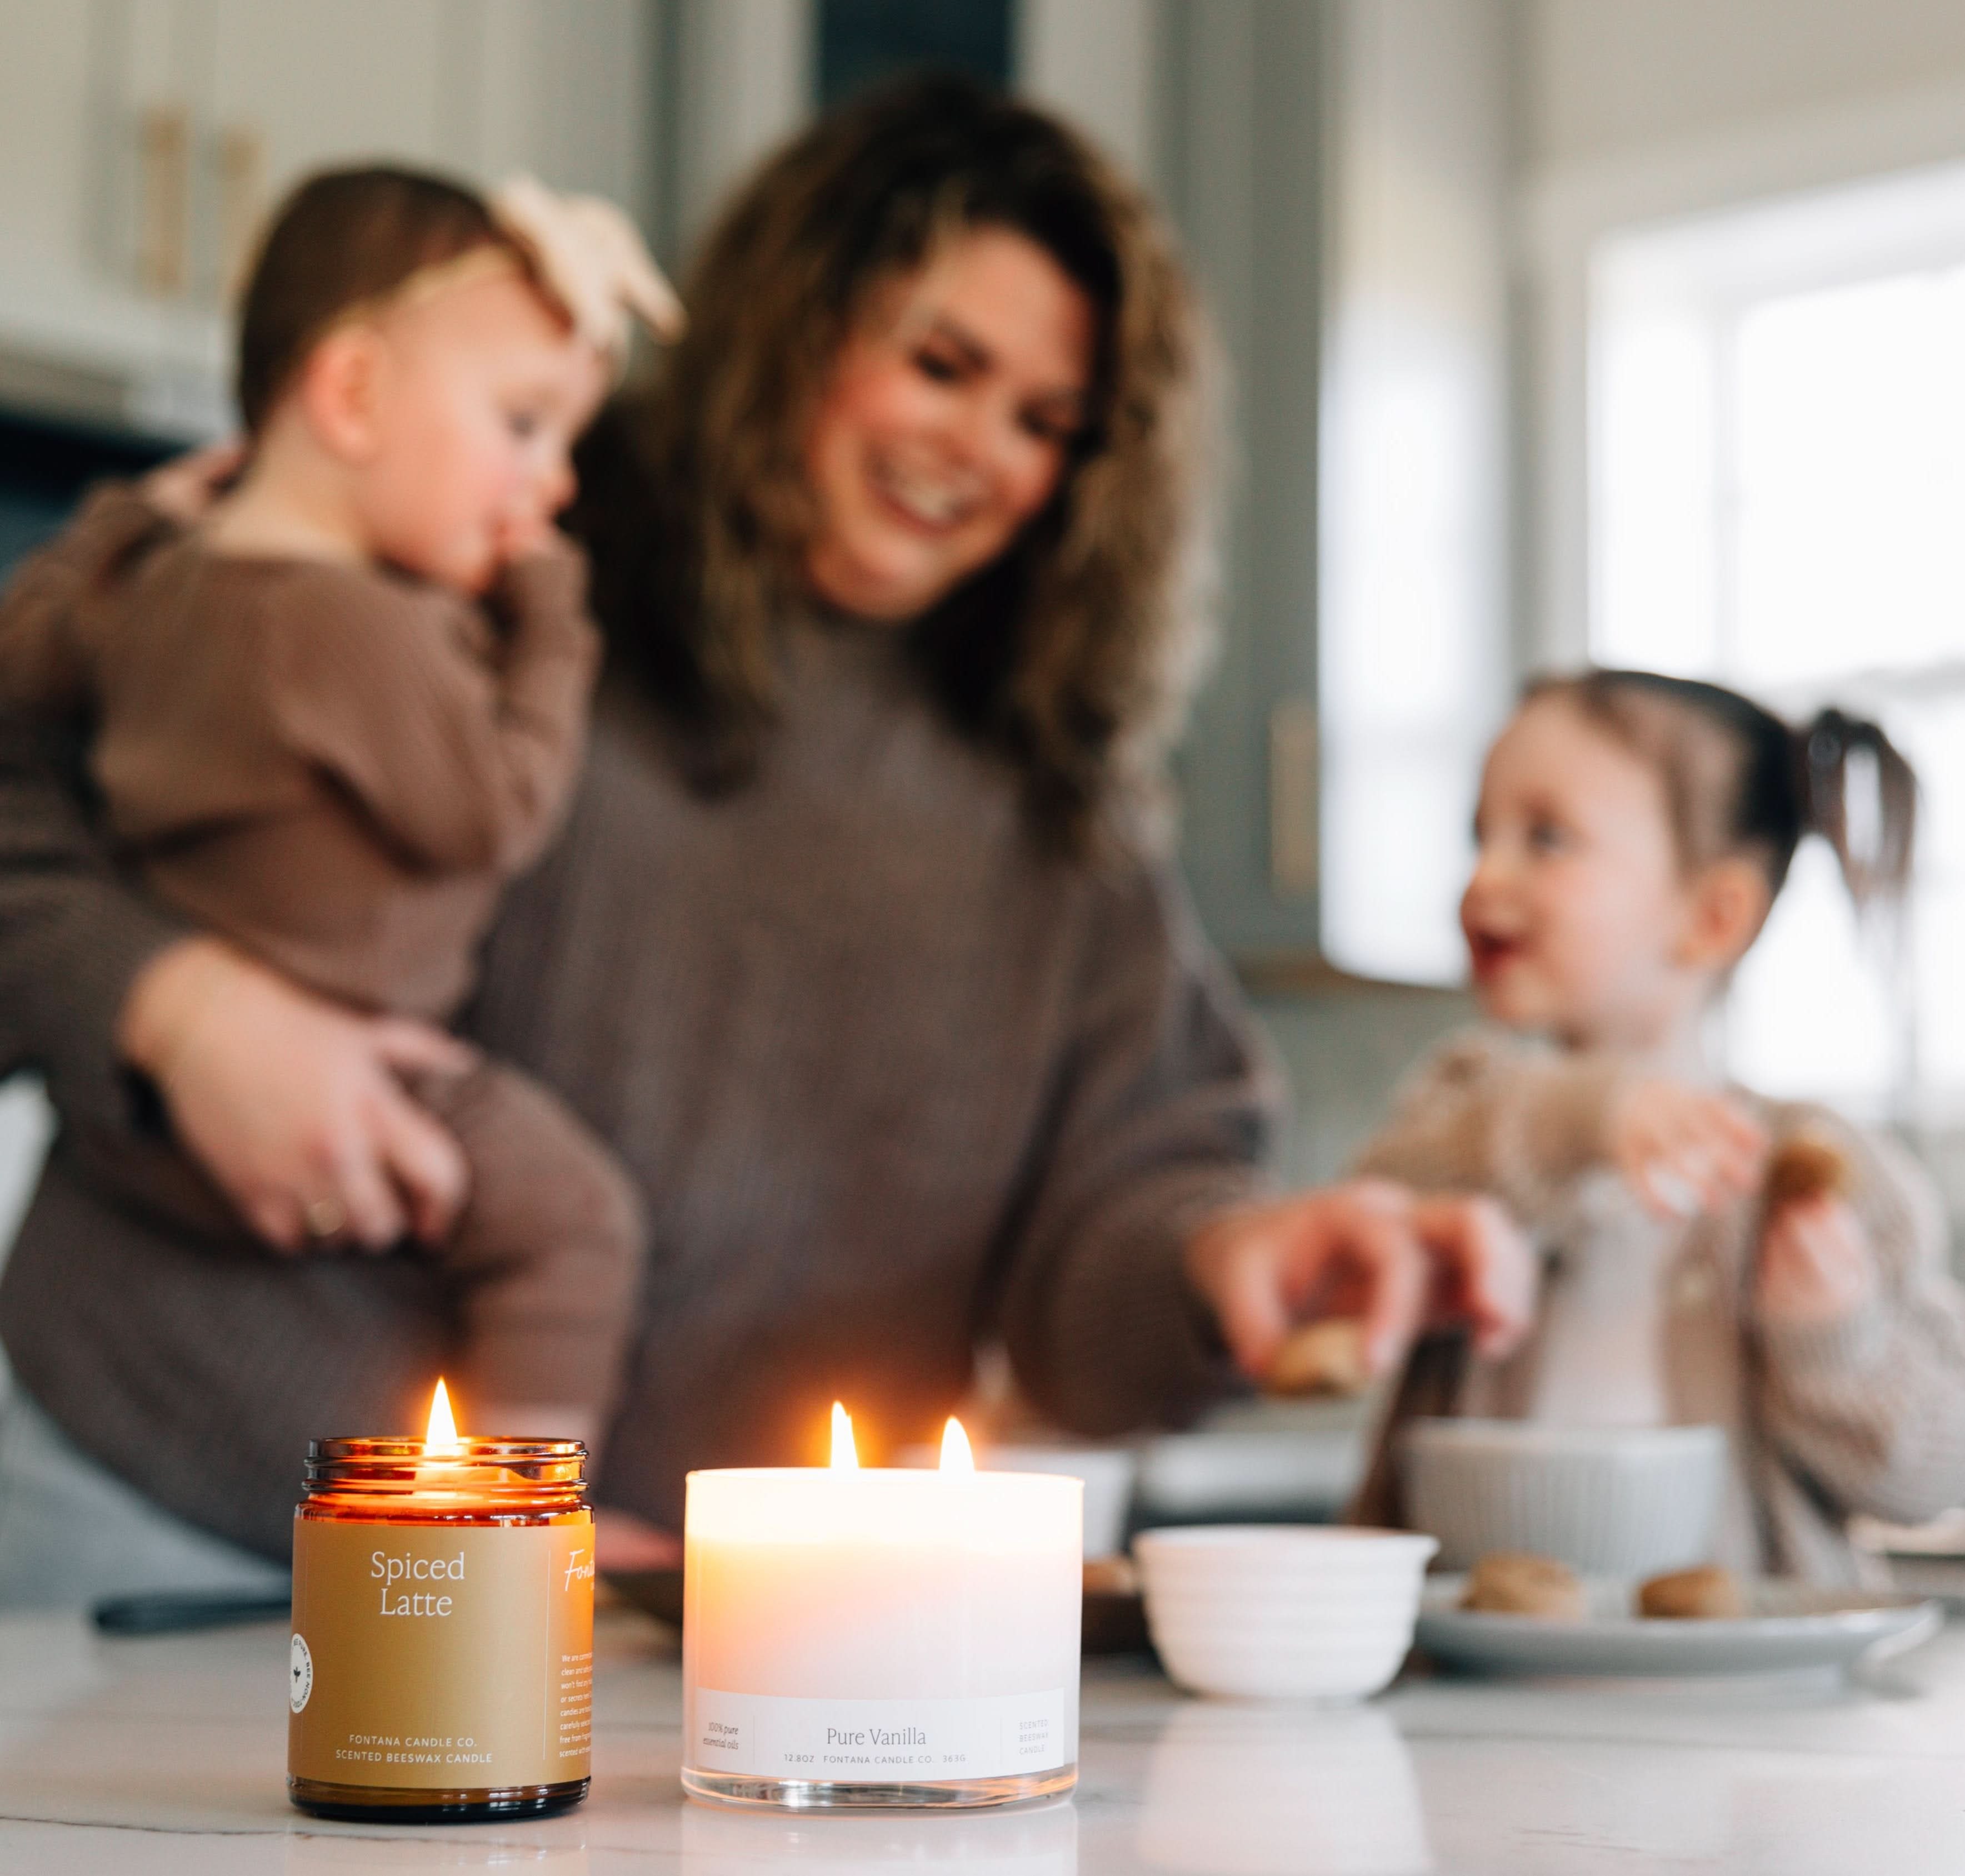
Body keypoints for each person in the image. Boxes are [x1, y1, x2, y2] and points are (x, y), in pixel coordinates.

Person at [0, 77, 1531, 1603]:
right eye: (940, 364)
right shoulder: (492, 543)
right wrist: (180, 1015)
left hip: (661, 1618)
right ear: (802, 318)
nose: (978, 449)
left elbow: (1101, 1255)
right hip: (158, 1485)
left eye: (1045, 422)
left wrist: (1225, 1267)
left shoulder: (1062, 805)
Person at [0, 165, 683, 1467]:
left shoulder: (141, 581)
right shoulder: (364, 633)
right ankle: (524, 1524)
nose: (549, 492)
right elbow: (496, 808)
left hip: (136, 1126)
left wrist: (128, 520)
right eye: (525, 425)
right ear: (354, 393)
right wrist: (550, 627)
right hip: (366, 1089)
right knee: (576, 1222)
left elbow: (22, 674)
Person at [1349, 668, 1965, 1579]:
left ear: (1712, 916)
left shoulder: (1824, 1165)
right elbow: (1363, 1218)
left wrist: (1832, 1342)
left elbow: (1933, 1473)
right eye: (1479, 834)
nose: (1484, 879)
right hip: (1466, 1679)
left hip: (1737, 1705)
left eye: (1545, 837)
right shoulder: (1472, 1098)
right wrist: (1581, 1116)